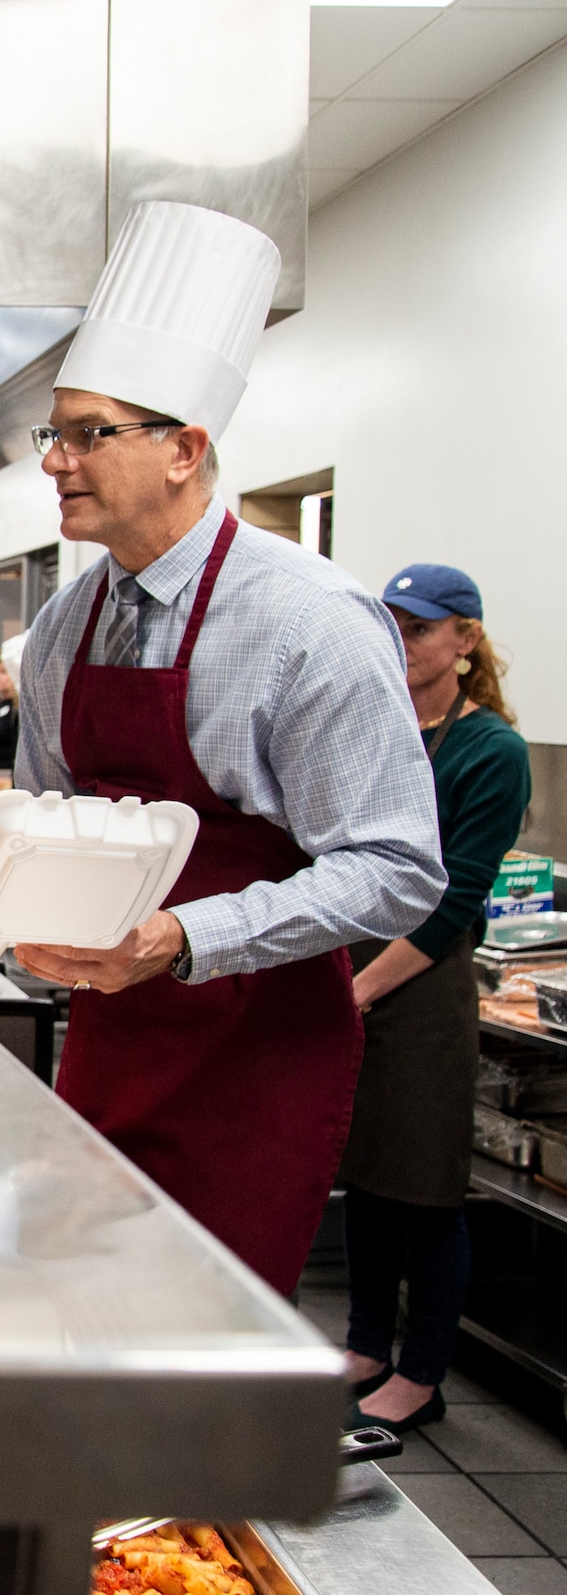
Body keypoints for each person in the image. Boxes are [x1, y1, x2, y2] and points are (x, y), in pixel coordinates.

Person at [0, 203, 445, 1296]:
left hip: (256, 1056)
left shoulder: (309, 622)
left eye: (90, 433)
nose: (56, 462)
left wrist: (184, 935)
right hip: (111, 1042)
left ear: (184, 450)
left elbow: (395, 867)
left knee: (213, 1360)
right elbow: (42, 831)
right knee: (88, 1317)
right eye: (54, 433)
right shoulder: (61, 632)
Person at [341, 565, 530, 1432]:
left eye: (418, 629)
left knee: (424, 1187)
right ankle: (365, 1344)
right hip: (355, 971)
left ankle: (422, 1374)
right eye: (393, 625)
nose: (402, 642)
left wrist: (366, 988)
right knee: (368, 1180)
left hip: (419, 983)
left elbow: (457, 899)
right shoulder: (380, 728)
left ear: (465, 640)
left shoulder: (491, 751)